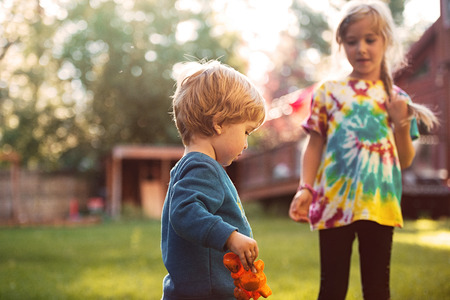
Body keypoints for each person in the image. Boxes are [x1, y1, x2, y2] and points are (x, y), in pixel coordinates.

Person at [288, 1, 438, 300]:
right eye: (352, 41)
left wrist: (399, 123)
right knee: (331, 288)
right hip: (334, 202)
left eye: (370, 39)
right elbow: (314, 145)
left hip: (379, 205)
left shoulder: (397, 98)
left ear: (386, 40)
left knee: (377, 289)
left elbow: (405, 160)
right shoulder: (328, 92)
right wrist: (305, 187)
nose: (362, 48)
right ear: (341, 44)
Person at [161, 60, 266, 300]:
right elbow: (185, 212)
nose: (247, 143)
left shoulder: (191, 166)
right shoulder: (201, 166)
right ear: (219, 123)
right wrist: (230, 237)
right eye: (246, 131)